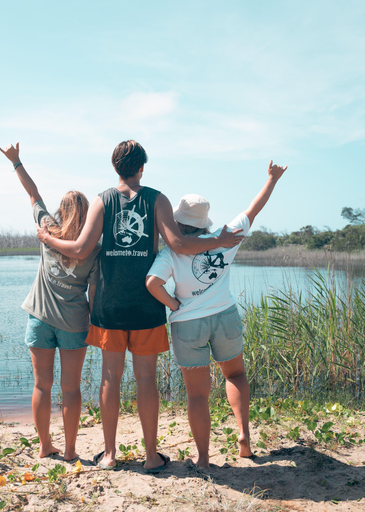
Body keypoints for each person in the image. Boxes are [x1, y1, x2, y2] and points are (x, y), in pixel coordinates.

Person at [36, 140, 244, 472]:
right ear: (142, 168)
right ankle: (150, 456)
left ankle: (109, 455)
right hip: (146, 306)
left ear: (115, 167)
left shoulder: (102, 201)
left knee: (110, 378)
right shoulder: (157, 199)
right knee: (146, 379)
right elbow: (177, 243)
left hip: (109, 306)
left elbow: (79, 248)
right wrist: (218, 241)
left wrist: (48, 238)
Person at [145, 160, 288, 468]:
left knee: (198, 396)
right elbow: (254, 209)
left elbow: (152, 283)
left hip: (188, 324)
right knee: (235, 374)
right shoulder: (225, 238)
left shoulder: (172, 251)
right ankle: (244, 439)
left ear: (179, 221)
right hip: (224, 316)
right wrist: (272, 179)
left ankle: (204, 457)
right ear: (204, 221)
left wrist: (174, 305)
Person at [0, 142, 100, 461]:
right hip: (74, 325)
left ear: (61, 210)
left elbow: (33, 193)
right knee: (70, 389)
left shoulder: (47, 229)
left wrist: (16, 162)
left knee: (42, 385)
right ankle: (70, 451)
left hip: (39, 319)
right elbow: (94, 294)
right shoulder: (93, 249)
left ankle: (45, 447)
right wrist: (95, 325)